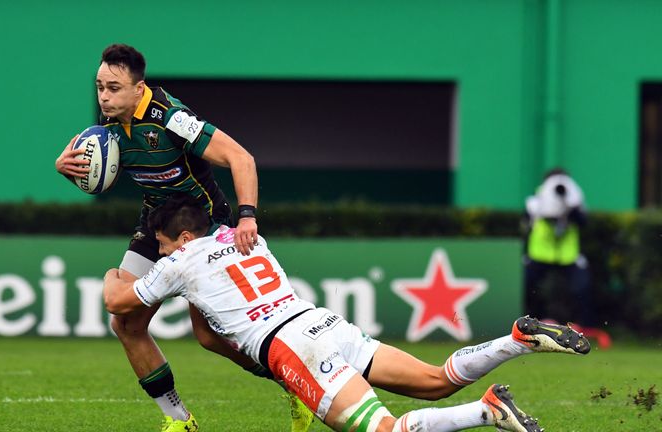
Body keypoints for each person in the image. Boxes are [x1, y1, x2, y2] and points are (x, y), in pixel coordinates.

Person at [103, 194, 592, 432]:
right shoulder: (247, 238)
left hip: (294, 349)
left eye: (163, 245)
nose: (162, 255)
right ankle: (515, 340)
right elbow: (211, 333)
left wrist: (114, 273)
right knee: (436, 379)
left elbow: (118, 304)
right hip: (324, 324)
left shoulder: (183, 259)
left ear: (184, 239)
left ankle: (487, 411)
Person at [54, 43, 312, 432]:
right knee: (125, 323)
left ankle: (296, 386)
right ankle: (180, 421)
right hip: (157, 224)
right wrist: (66, 167)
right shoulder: (104, 129)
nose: (104, 97)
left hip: (203, 228)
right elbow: (93, 172)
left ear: (139, 89)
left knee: (209, 337)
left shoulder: (171, 118)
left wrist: (247, 217)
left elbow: (241, 158)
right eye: (99, 87)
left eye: (114, 88)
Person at [523, 168, 595, 328]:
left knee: (582, 287)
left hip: (568, 255)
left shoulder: (574, 202)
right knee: (526, 286)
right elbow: (527, 224)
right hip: (540, 255)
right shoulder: (535, 202)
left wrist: (570, 210)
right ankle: (529, 323)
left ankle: (583, 327)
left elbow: (583, 222)